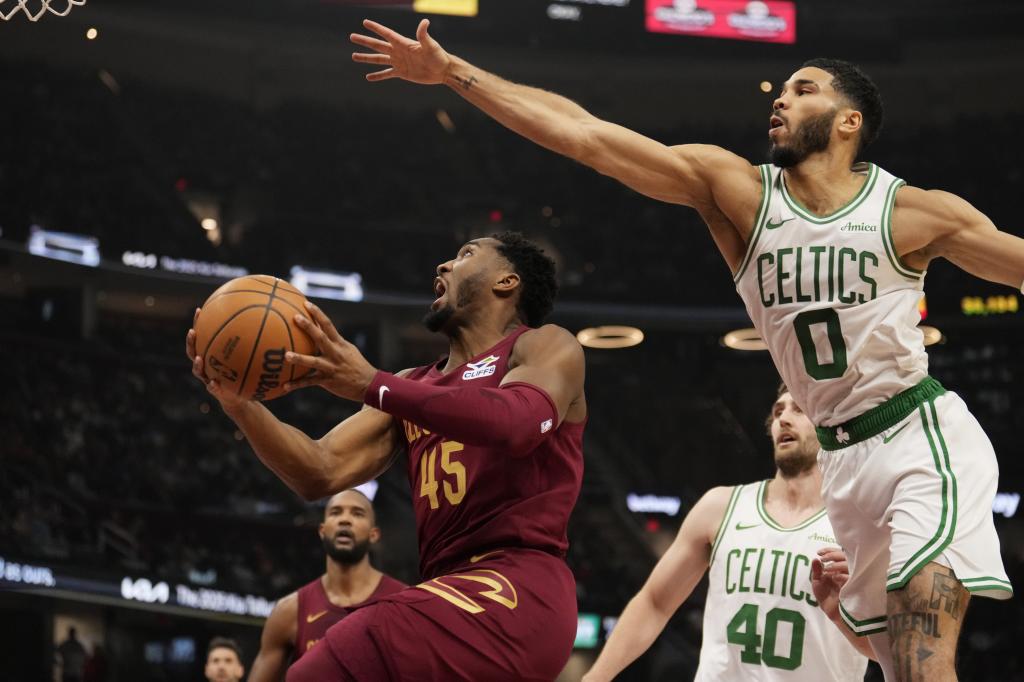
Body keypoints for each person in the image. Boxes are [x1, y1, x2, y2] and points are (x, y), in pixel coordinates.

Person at [349, 21, 1016, 681]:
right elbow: (586, 136)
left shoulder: (914, 213)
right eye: (779, 89)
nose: (779, 100)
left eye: (802, 89)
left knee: (926, 660)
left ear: (848, 122)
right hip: (842, 459)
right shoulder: (739, 194)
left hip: (916, 435)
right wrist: (454, 73)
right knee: (898, 668)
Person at [186, 231, 587, 681]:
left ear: (507, 282)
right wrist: (240, 405)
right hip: (448, 588)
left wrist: (373, 384)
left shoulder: (544, 346)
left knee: (350, 648)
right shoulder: (412, 383)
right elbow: (318, 471)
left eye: (466, 254)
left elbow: (515, 424)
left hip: (519, 589)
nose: (443, 266)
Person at [583, 385, 871, 681]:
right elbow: (654, 602)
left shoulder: (859, 525)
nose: (783, 418)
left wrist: (852, 614)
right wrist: (594, 679)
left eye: (798, 409)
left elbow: (891, 643)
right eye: (777, 411)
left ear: (829, 424)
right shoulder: (720, 507)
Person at [248, 489, 406, 680]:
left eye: (357, 513)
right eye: (335, 512)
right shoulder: (289, 611)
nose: (345, 520)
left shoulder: (403, 604)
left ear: (374, 534)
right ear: (322, 531)